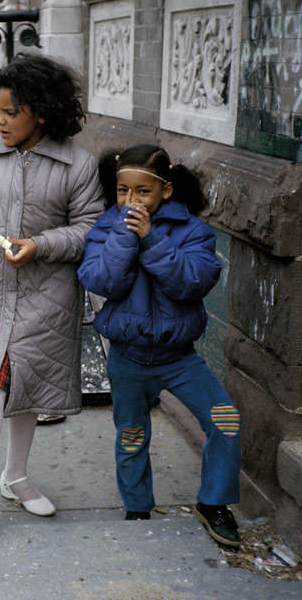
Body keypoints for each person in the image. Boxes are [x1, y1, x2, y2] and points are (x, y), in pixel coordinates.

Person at [0, 53, 105, 527]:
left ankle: (15, 477)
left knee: (26, 383)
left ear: (41, 111)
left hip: (47, 294)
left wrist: (40, 244)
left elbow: (90, 227)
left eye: (10, 112)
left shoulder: (77, 165)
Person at [76, 144, 242, 548]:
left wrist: (152, 240)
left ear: (165, 191)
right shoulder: (105, 230)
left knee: (226, 421)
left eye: (143, 192)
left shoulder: (193, 232)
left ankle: (214, 503)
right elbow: (101, 282)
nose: (131, 201)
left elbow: (191, 284)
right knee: (132, 435)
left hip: (179, 359)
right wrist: (125, 238)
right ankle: (137, 508)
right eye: (122, 191)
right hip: (128, 358)